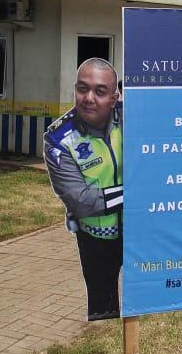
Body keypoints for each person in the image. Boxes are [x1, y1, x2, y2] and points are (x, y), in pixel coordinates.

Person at [44, 58, 123, 321]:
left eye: (100, 91)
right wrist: (138, 192)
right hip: (96, 239)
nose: (88, 98)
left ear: (115, 96)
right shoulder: (58, 139)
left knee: (148, 303)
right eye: (82, 88)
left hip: (140, 233)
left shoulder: (132, 118)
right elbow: (81, 201)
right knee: (104, 312)